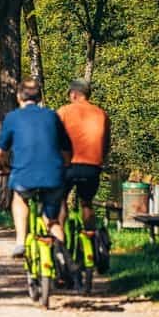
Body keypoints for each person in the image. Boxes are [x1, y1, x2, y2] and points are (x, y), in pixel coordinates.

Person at [0, 79, 72, 257]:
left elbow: (1, 152)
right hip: (53, 175)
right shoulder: (52, 116)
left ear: (19, 97)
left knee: (20, 197)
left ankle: (20, 242)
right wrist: (66, 165)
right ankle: (62, 257)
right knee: (52, 220)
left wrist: (3, 166)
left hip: (24, 175)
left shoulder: (13, 117)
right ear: (39, 97)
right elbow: (66, 149)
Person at [57, 79, 111, 229]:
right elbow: (106, 144)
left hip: (68, 166)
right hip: (92, 167)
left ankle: (59, 237)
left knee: (60, 200)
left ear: (74, 94)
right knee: (87, 203)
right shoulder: (102, 114)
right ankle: (90, 237)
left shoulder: (63, 112)